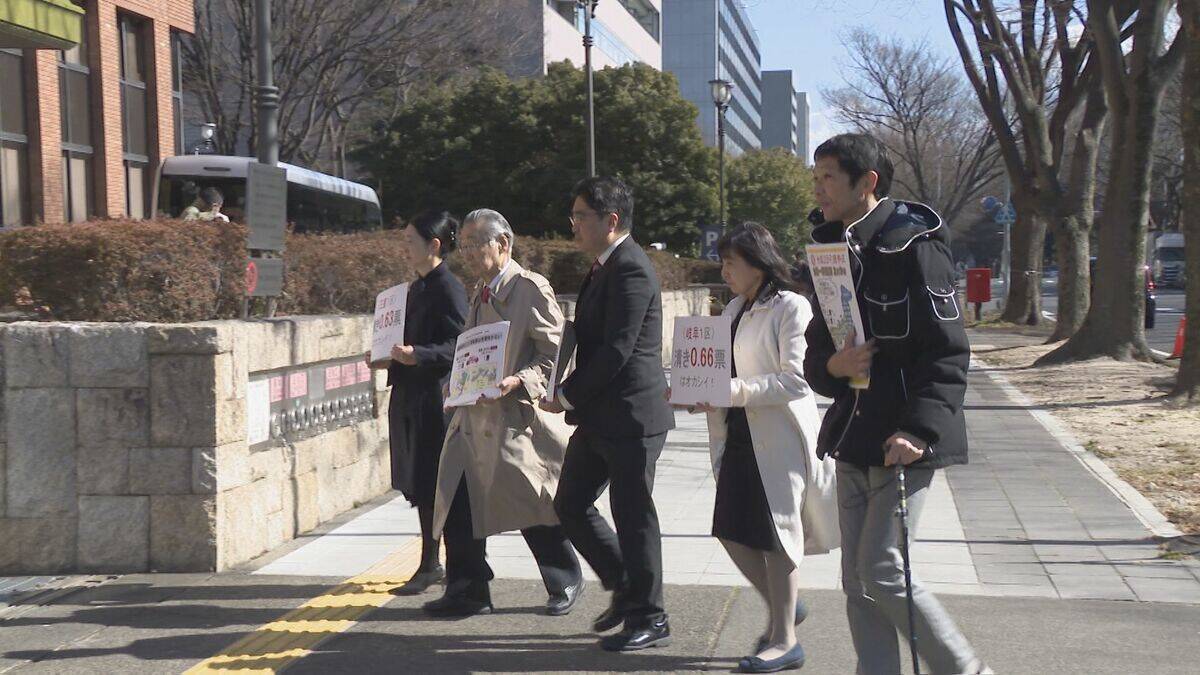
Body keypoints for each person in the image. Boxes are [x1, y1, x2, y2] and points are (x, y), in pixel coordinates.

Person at [803, 134, 990, 674]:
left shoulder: (916, 244)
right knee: (857, 581)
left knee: (883, 569)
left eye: (828, 179)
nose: (819, 191)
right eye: (816, 179)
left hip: (902, 439)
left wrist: (920, 431)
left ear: (868, 183)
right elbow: (822, 346)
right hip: (852, 434)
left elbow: (949, 353)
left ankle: (965, 670)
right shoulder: (829, 249)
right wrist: (833, 369)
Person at [685, 222, 839, 673]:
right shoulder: (734, 308)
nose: (724, 271)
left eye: (731, 262)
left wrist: (728, 391)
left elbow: (796, 378)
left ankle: (785, 638)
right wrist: (699, 393)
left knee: (778, 535)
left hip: (779, 436)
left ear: (757, 262)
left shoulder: (791, 307)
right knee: (731, 529)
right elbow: (717, 373)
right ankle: (787, 607)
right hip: (737, 434)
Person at [424, 209, 584, 617]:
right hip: (474, 417)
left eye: (479, 244)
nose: (471, 253)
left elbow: (555, 355)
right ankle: (468, 588)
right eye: (466, 245)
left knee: (529, 501)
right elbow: (472, 349)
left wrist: (519, 381)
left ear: (504, 244)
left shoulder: (530, 288)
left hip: (515, 418)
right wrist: (455, 380)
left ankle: (565, 576)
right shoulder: (480, 291)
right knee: (458, 499)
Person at [540, 176, 675, 652]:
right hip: (601, 416)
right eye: (574, 215)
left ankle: (651, 615)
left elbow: (618, 350)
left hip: (632, 416)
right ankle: (625, 585)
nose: (573, 224)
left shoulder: (631, 268)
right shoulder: (602, 266)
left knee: (634, 515)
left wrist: (567, 396)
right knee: (571, 504)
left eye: (581, 216)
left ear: (610, 220)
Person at [367, 210, 468, 596]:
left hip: (432, 396)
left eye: (411, 240)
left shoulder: (448, 288)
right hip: (410, 394)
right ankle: (432, 562)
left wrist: (419, 354)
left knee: (432, 482)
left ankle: (434, 563)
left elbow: (461, 343)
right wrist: (384, 354)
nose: (405, 247)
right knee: (418, 481)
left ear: (435, 245)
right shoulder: (413, 289)